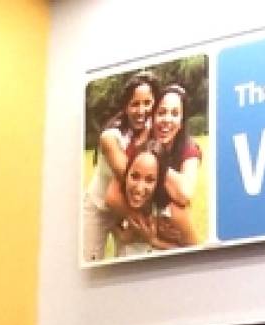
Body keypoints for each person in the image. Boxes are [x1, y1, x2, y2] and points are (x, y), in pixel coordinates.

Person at [108, 83, 202, 247]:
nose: (167, 120)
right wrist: (146, 223)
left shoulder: (188, 149)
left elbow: (185, 193)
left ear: (181, 122)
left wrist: (157, 160)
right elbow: (112, 196)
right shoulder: (140, 147)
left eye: (174, 114)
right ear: (152, 117)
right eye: (162, 112)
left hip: (171, 228)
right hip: (143, 227)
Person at [82, 71, 156, 262]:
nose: (142, 110)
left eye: (147, 103)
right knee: (90, 260)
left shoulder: (154, 128)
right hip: (99, 207)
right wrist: (145, 136)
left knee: (130, 262)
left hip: (127, 207)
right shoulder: (111, 136)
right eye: (135, 104)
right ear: (125, 106)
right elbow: (129, 175)